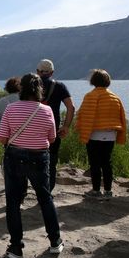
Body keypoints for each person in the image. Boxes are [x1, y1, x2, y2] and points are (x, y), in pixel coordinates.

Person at [0, 73, 63, 258]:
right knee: (45, 199)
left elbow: (2, 137)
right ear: (39, 89)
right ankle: (55, 241)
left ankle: (16, 248)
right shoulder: (47, 110)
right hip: (39, 157)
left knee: (13, 202)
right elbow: (52, 138)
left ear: (22, 89)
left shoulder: (11, 109)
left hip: (14, 156)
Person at [76, 69, 126, 200]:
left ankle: (96, 190)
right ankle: (108, 191)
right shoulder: (115, 97)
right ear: (107, 81)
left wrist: (79, 127)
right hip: (110, 135)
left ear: (93, 81)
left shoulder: (90, 96)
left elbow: (82, 114)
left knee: (95, 163)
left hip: (94, 134)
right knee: (107, 162)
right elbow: (121, 117)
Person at [36, 59, 75, 192]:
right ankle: (48, 192)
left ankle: (31, 189)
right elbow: (71, 107)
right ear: (52, 72)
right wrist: (66, 126)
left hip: (32, 129)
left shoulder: (31, 85)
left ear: (37, 71)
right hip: (52, 131)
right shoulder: (60, 86)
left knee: (30, 161)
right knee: (51, 162)